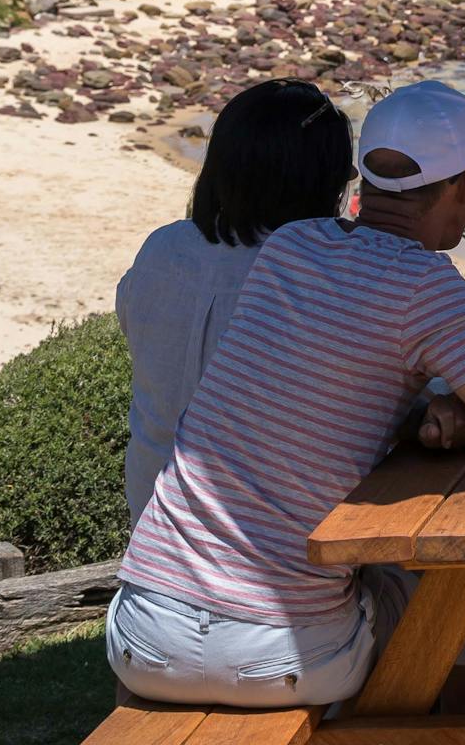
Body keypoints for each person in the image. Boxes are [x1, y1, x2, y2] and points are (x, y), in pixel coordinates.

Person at [107, 81, 465, 711]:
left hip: (141, 633)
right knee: (451, 599)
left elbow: (309, 385)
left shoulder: (288, 248)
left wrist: (417, 411)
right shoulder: (424, 285)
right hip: (282, 657)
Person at [116, 79, 355, 522]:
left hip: (149, 521)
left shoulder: (161, 250)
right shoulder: (313, 276)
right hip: (257, 549)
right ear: (318, 182)